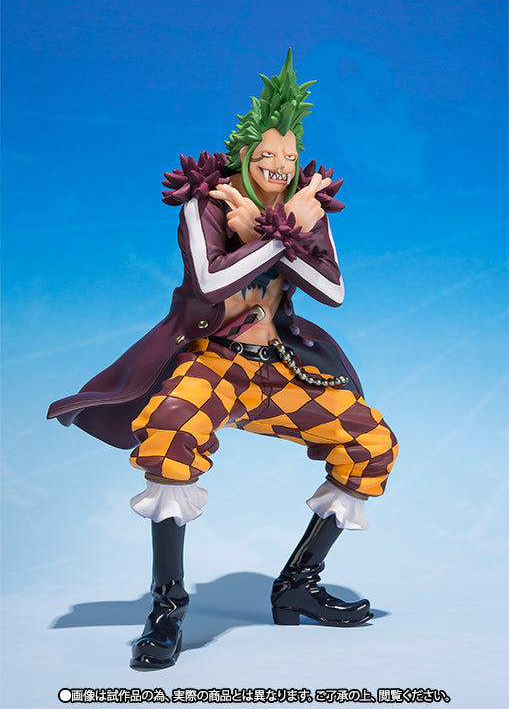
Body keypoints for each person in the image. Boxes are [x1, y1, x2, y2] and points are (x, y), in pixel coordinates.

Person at [47, 49, 398, 671]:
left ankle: (297, 584)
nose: (279, 165)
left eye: (289, 155)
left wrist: (277, 230)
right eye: (267, 154)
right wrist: (281, 235)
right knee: (170, 432)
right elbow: (212, 282)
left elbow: (332, 290)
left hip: (277, 367)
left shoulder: (305, 208)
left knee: (370, 442)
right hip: (212, 361)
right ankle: (167, 605)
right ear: (243, 154)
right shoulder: (204, 204)